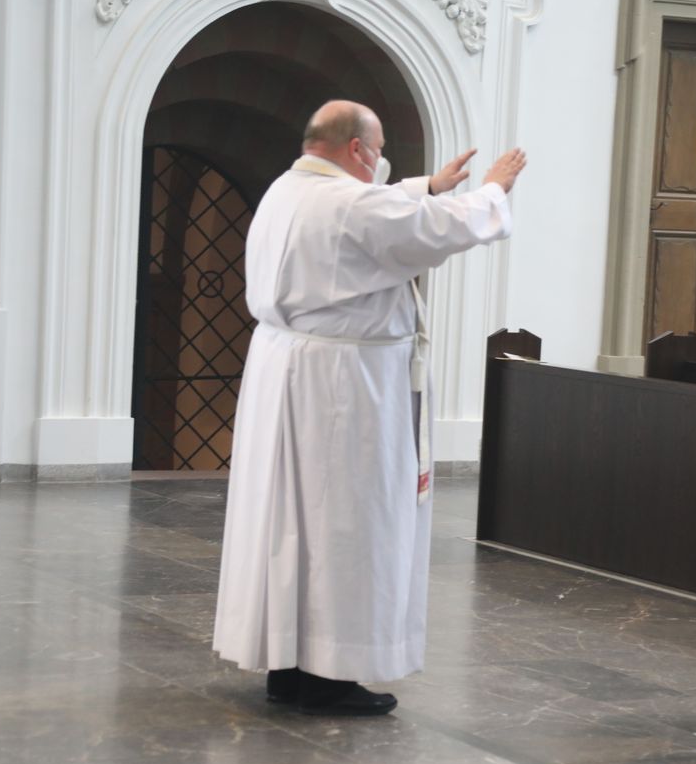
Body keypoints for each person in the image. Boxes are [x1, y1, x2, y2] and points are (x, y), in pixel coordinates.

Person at [212, 99, 527, 716]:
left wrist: (427, 186)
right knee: (347, 525)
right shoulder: (352, 205)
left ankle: (288, 668)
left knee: (290, 526)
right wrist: (492, 190)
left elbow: (378, 212)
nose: (380, 164)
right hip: (345, 390)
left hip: (288, 372)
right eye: (377, 152)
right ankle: (329, 676)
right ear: (357, 149)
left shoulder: (287, 190)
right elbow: (431, 228)